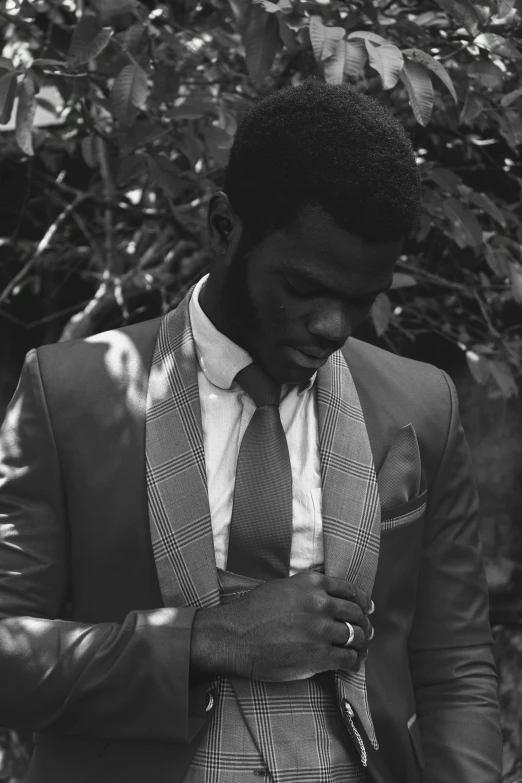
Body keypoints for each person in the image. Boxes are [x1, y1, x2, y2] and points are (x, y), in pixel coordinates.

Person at [0, 77, 502, 783]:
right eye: (303, 289)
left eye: (359, 300)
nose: (332, 326)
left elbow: (454, 666)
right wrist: (204, 641)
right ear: (223, 227)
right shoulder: (71, 391)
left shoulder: (422, 404)